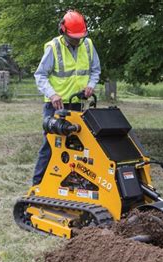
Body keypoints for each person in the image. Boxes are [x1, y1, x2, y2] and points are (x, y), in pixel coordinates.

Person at [32, 10, 101, 185]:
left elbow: (95, 70)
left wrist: (91, 86)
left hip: (79, 105)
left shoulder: (88, 45)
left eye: (80, 37)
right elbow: (40, 75)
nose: (78, 41)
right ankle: (38, 186)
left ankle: (71, 184)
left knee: (78, 147)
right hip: (56, 107)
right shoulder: (53, 48)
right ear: (63, 31)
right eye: (74, 37)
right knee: (51, 147)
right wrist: (52, 94)